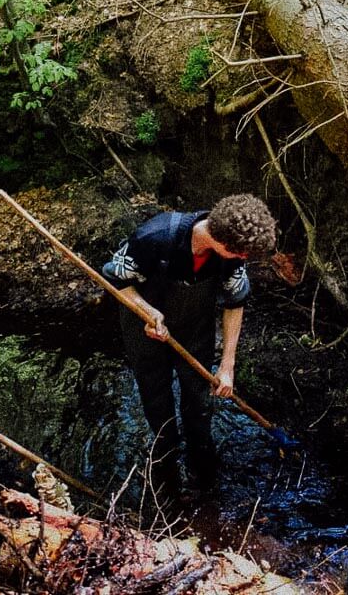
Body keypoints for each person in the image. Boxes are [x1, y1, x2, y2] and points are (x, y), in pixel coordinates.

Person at [102, 193, 277, 498]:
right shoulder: (155, 236)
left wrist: (227, 366)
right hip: (144, 329)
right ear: (223, 244)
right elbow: (117, 280)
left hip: (195, 330)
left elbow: (235, 302)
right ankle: (165, 460)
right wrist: (148, 311)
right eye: (242, 255)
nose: (244, 260)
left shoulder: (229, 258)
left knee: (200, 403)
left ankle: (202, 463)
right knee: (157, 403)